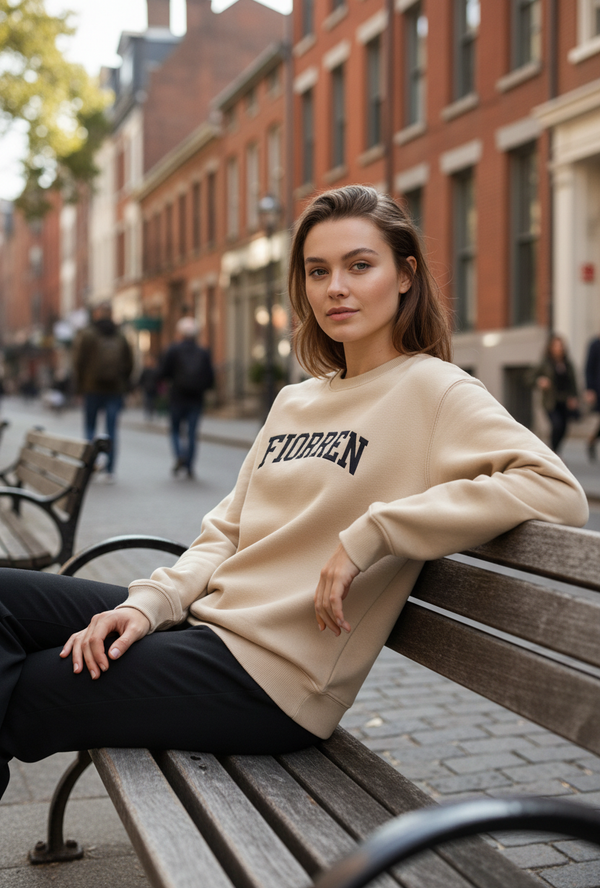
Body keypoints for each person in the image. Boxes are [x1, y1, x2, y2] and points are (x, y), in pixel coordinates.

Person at [0, 186, 588, 799]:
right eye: (318, 271)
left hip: (268, 680)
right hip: (207, 627)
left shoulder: (435, 391)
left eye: (360, 265)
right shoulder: (296, 399)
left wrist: (376, 533)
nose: (336, 286)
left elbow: (556, 489)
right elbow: (225, 533)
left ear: (406, 274)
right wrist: (147, 605)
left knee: (32, 688)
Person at [72, 302, 134, 483]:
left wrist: (79, 388)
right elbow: (130, 363)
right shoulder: (121, 336)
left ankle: (89, 465)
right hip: (115, 390)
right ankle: (110, 470)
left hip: (91, 388)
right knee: (111, 430)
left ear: (97, 314)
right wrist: (125, 383)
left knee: (90, 428)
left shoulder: (88, 334)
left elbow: (78, 362)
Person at [158, 317, 214, 478]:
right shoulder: (203, 352)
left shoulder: (173, 350)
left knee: (175, 429)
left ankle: (180, 455)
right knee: (191, 432)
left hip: (178, 396)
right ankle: (189, 465)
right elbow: (210, 377)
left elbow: (163, 372)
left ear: (180, 334)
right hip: (196, 398)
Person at [533, 333, 579, 455]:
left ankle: (555, 452)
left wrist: (574, 397)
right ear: (551, 348)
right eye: (556, 346)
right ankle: (553, 453)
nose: (558, 349)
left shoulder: (567, 364)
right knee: (557, 425)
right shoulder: (545, 363)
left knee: (564, 428)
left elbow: (573, 382)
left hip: (564, 401)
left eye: (560, 346)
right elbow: (529, 377)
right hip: (550, 402)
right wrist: (539, 381)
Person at [584, 333, 600, 462]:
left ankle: (592, 439)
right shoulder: (595, 344)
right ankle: (592, 440)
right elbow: (589, 368)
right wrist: (589, 389)